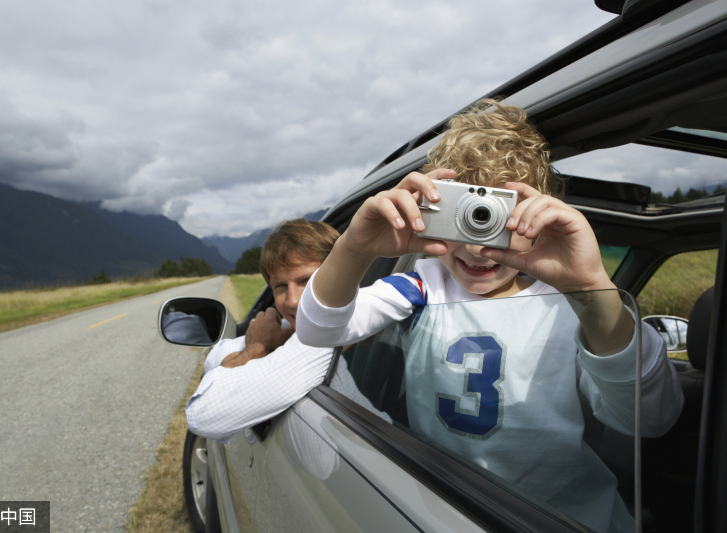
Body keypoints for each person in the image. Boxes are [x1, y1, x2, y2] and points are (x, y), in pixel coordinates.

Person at [296, 100, 684, 532]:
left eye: (496, 219)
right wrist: (353, 248)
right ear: (430, 213)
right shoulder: (423, 286)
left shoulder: (573, 303)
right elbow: (317, 330)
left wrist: (591, 285)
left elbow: (650, 418)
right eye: (463, 217)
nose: (479, 247)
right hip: (451, 511)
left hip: (571, 519)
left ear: (537, 214)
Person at [185, 218, 386, 445]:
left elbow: (204, 412)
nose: (292, 301)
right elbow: (215, 359)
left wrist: (256, 347)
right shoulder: (287, 334)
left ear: (342, 277)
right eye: (280, 287)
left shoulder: (318, 343)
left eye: (307, 281)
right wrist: (258, 346)